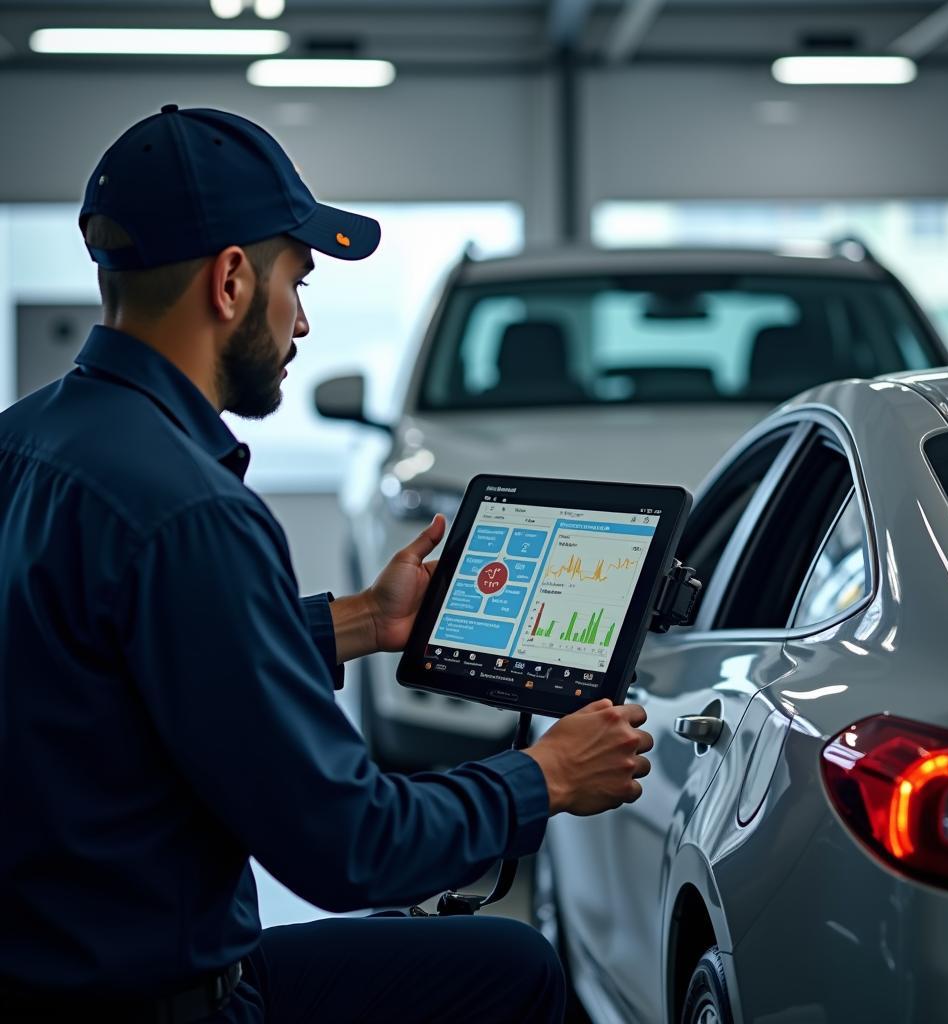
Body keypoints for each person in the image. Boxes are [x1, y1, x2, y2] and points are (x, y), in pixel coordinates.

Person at [0, 106, 654, 1023]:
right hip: (155, 997)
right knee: (512, 975)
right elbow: (349, 849)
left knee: (504, 964)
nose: (302, 321)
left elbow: (111, 651)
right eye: (296, 280)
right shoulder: (192, 510)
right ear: (230, 279)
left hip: (53, 960)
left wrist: (360, 622)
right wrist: (542, 777)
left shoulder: (28, 441)